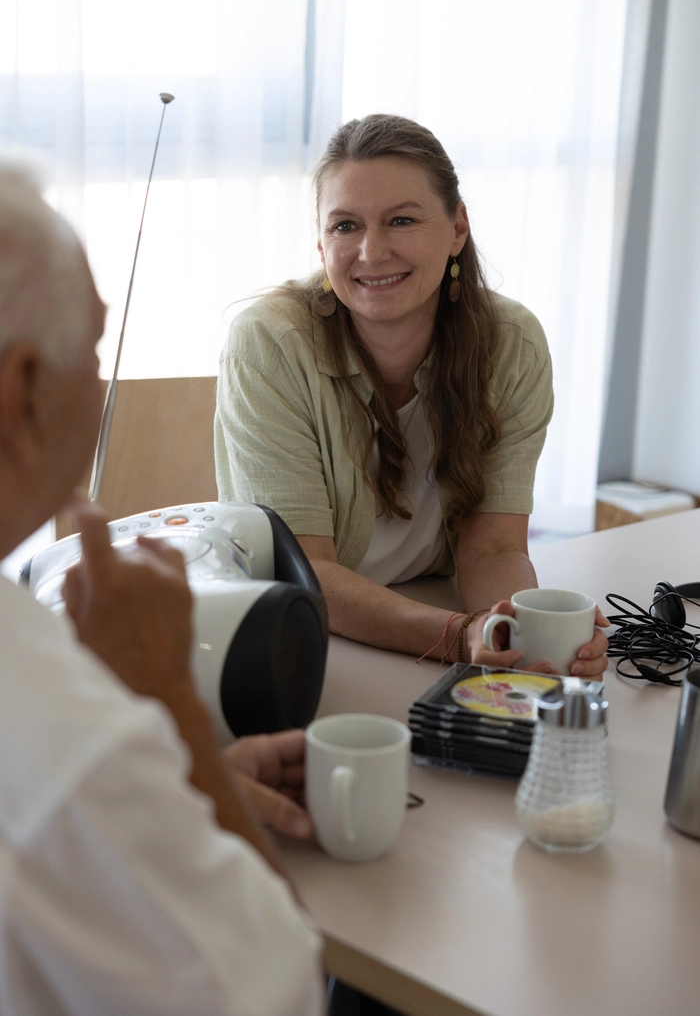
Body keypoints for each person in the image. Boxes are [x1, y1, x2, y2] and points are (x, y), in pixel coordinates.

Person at [0, 157, 323, 1015]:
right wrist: (166, 701)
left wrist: (183, 774)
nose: (100, 384)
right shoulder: (61, 725)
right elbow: (277, 987)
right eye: (95, 351)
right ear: (22, 391)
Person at [215, 114, 609, 677]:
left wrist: (518, 632)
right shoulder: (269, 342)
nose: (372, 252)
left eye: (401, 220)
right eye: (346, 225)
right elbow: (304, 568)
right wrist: (459, 635)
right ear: (321, 243)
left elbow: (494, 548)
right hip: (307, 636)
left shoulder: (512, 344)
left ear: (457, 228)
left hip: (424, 612)